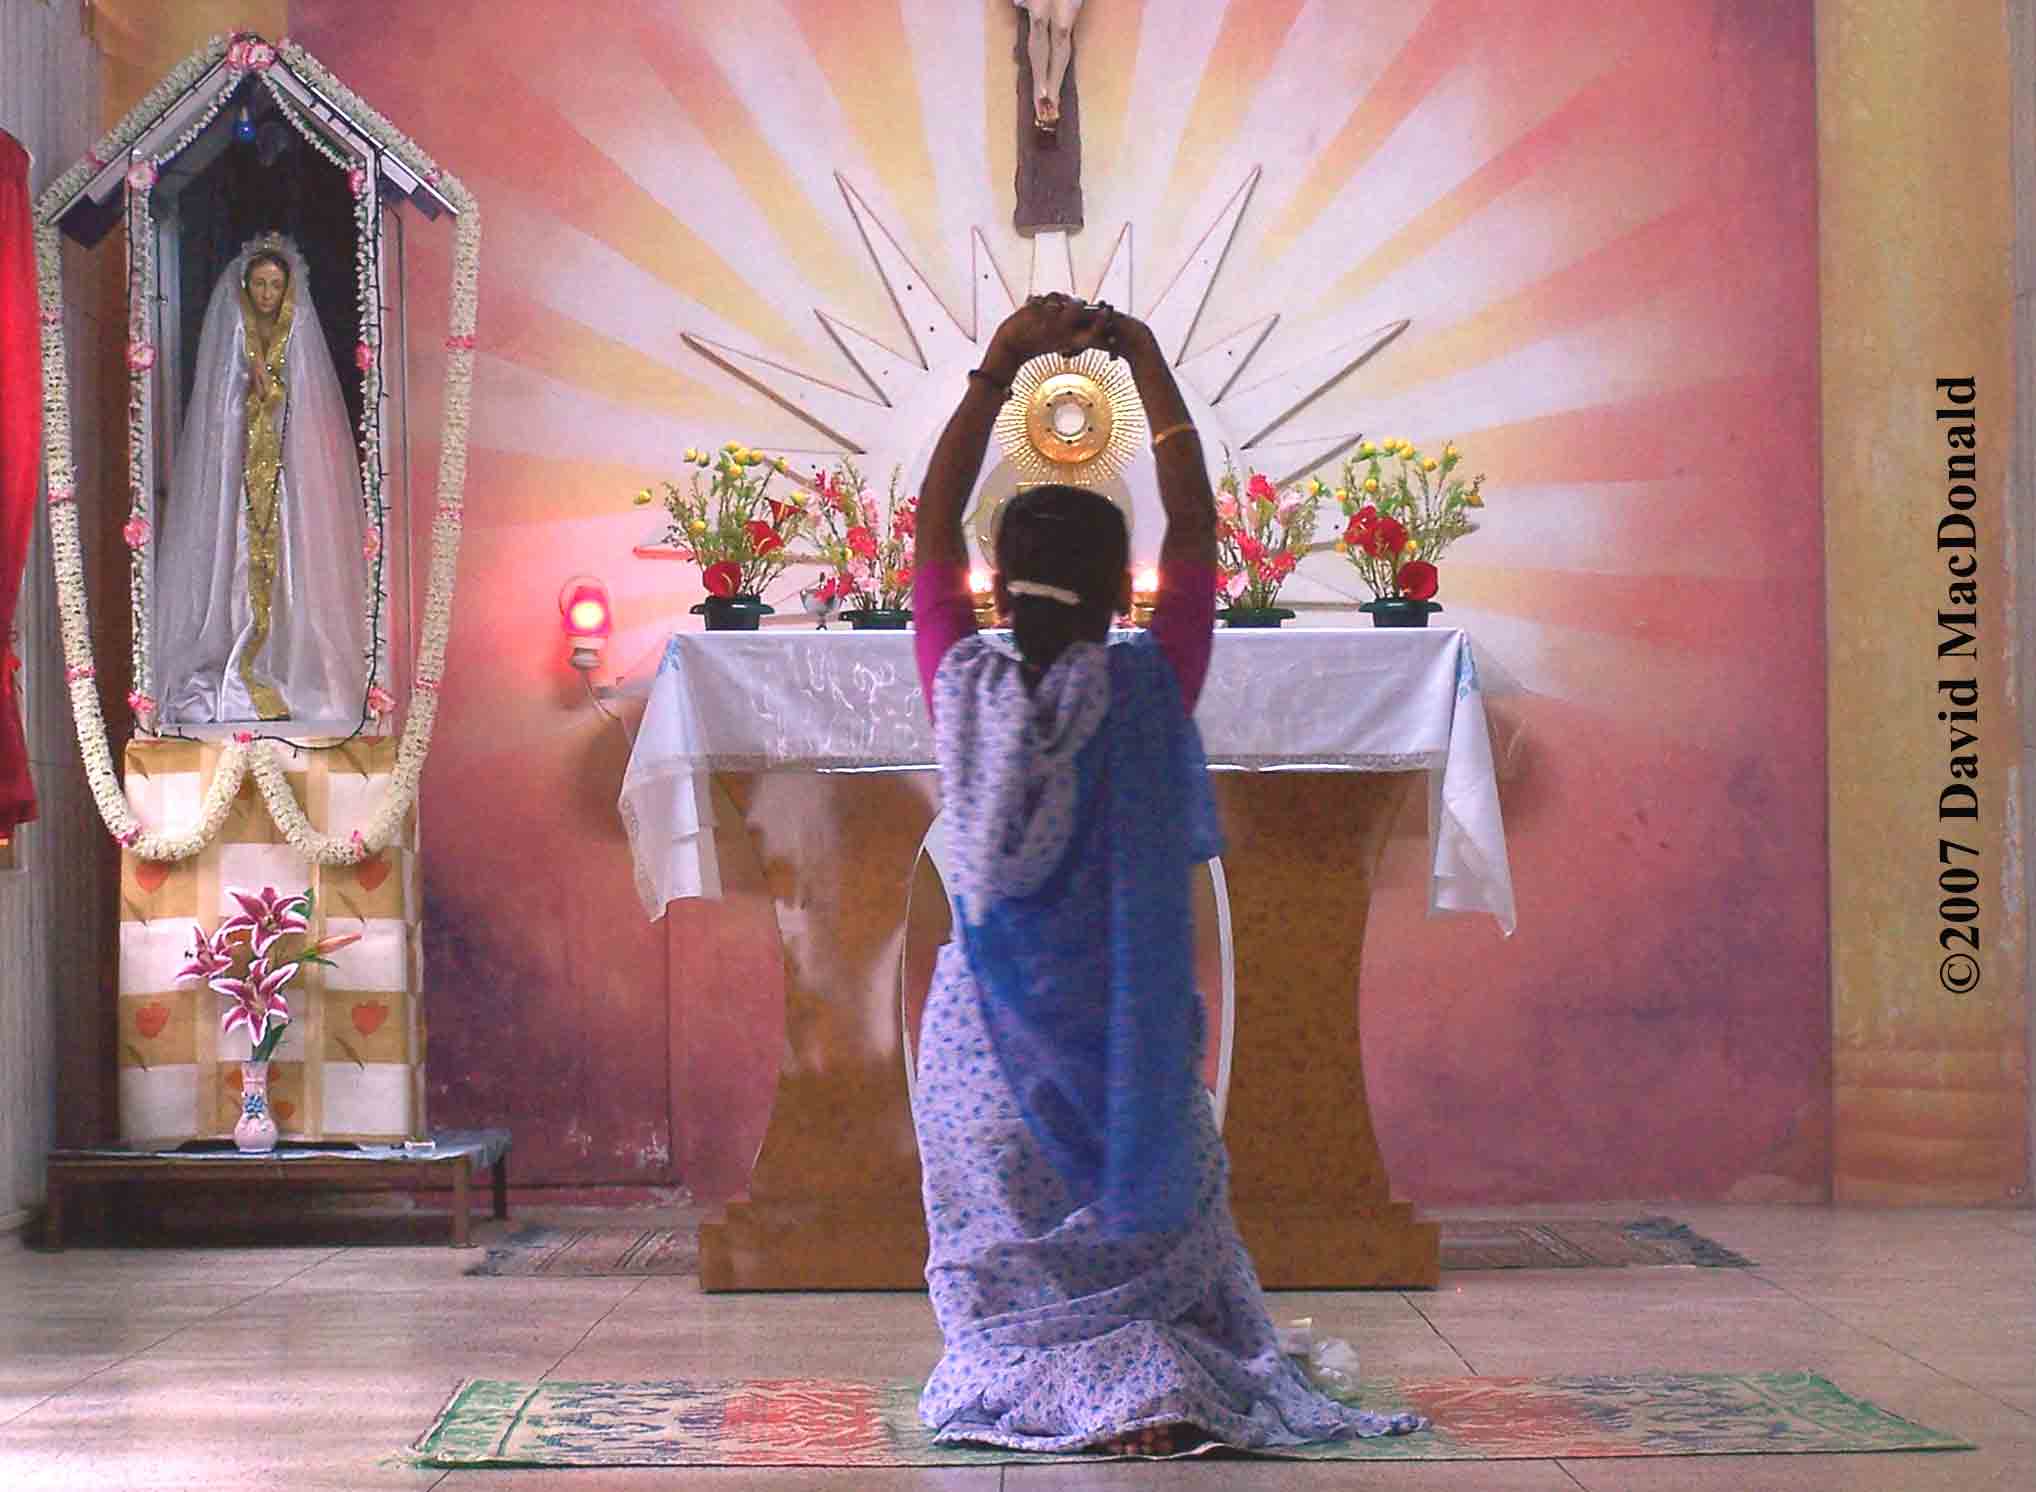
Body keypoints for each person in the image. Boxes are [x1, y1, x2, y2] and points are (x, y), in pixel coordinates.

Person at [908, 293, 1428, 1454]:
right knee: (1162, 1223)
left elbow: (926, 528)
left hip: (978, 1062)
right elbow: (1194, 532)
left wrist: (996, 369)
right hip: (1119, 1040)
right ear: (1117, 590)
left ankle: (1027, 1376)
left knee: (999, 1222)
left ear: (994, 585)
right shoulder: (1145, 692)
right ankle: (1153, 1374)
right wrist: (1142, 362)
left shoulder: (963, 689)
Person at [154, 234, 368, 725]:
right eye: (260, 283)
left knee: (294, 555)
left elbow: (306, 405)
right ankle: (233, 652)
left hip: (285, 472)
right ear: (246, 286)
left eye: (275, 284)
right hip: (240, 470)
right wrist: (248, 391)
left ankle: (287, 661)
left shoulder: (296, 334)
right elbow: (220, 404)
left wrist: (277, 398)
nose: (268, 293)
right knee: (236, 555)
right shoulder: (234, 332)